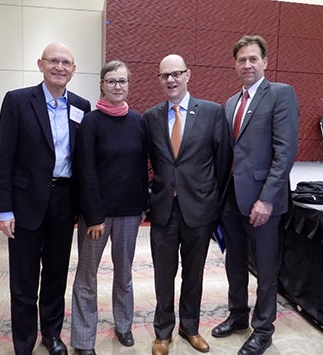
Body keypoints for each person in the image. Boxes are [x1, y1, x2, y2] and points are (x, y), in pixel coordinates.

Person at [0, 42, 91, 355]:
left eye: (66, 62)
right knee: (23, 280)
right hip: (25, 203)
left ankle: (51, 335)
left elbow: (83, 160)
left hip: (64, 200)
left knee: (55, 274)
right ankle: (23, 342)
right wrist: (4, 209)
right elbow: (5, 158)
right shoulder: (18, 100)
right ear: (41, 64)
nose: (60, 67)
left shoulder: (81, 105)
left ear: (74, 70)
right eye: (54, 61)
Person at [211, 35, 299, 355]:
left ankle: (263, 329)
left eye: (253, 59)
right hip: (232, 198)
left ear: (264, 61)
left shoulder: (280, 94)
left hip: (263, 199)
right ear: (234, 64)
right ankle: (237, 317)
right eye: (241, 60)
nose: (247, 64)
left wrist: (267, 198)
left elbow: (285, 152)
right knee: (234, 262)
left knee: (264, 267)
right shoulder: (231, 103)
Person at [144, 54, 232, 355]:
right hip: (163, 210)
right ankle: (163, 332)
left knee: (194, 273)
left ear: (188, 75)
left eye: (176, 73)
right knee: (163, 274)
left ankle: (190, 327)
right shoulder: (151, 117)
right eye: (164, 75)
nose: (171, 79)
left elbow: (222, 162)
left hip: (199, 209)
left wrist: (210, 199)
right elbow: (145, 162)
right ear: (159, 80)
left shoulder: (211, 112)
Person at [70, 60, 149, 355]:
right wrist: (93, 215)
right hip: (97, 217)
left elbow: (142, 168)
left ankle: (124, 325)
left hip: (129, 212)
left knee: (125, 273)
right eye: (112, 81)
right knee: (87, 277)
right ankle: (82, 339)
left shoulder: (138, 122)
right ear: (102, 84)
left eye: (123, 81)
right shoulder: (90, 122)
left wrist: (143, 206)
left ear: (129, 85)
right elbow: (85, 171)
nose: (118, 86)